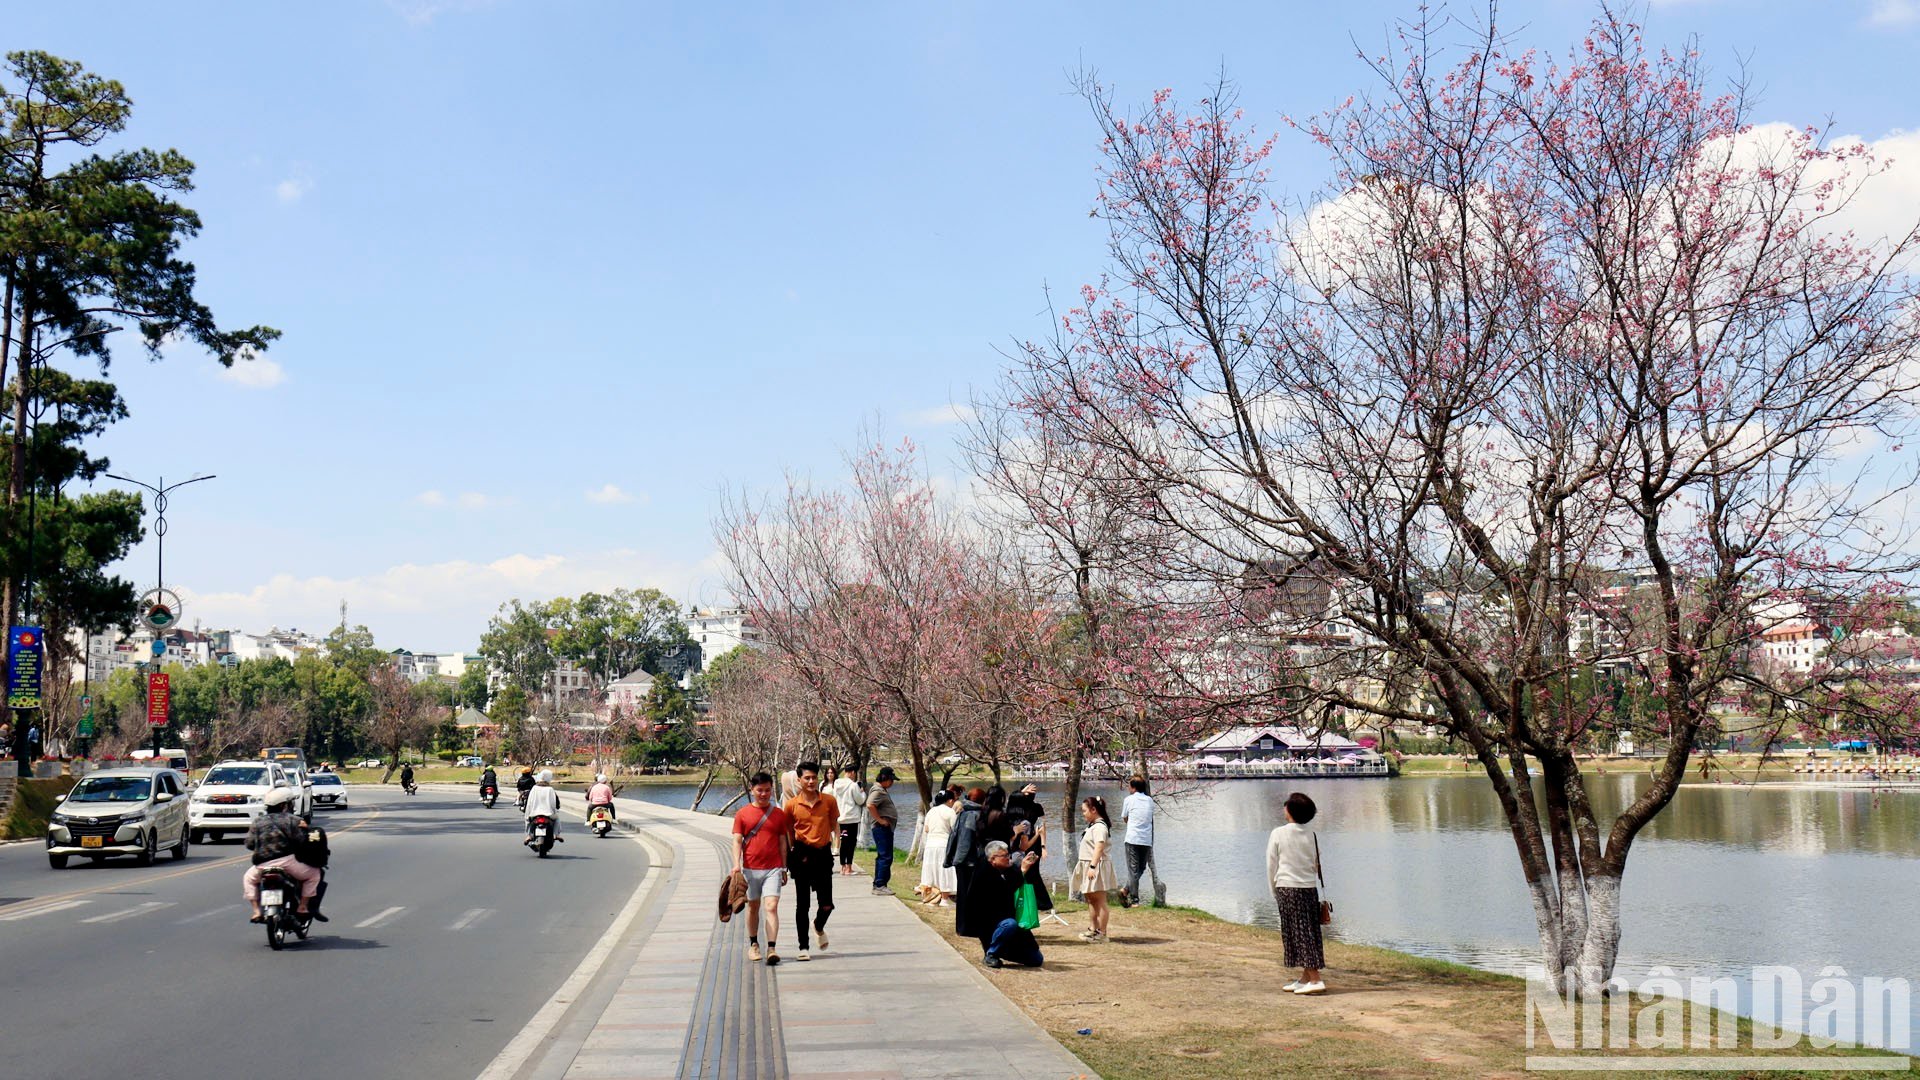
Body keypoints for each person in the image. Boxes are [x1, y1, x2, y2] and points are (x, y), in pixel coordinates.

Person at [1265, 792, 1327, 994]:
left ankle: (1316, 979)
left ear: (1290, 811)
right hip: (1309, 888)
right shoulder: (1312, 834)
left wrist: (1273, 889)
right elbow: (1315, 864)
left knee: (1299, 933)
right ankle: (1305, 977)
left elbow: (1271, 864)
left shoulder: (1278, 833)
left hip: (1288, 887)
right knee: (1308, 931)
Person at [782, 760, 840, 960]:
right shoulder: (791, 805)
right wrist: (790, 855)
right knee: (802, 904)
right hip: (801, 855)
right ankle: (803, 947)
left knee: (827, 905)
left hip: (823, 854)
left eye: (814, 777)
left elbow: (834, 824)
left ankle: (818, 925)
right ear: (799, 780)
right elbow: (789, 832)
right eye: (807, 778)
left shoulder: (829, 801)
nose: (811, 781)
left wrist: (836, 847)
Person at [732, 771, 791, 965]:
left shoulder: (779, 815)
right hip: (750, 869)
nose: (764, 794)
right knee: (753, 907)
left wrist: (784, 867)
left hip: (773, 868)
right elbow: (737, 840)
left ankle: (772, 948)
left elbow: (783, 842)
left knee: (771, 907)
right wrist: (736, 865)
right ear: (752, 790)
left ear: (772, 790)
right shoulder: (742, 814)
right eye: (760, 790)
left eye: (767, 790)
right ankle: (754, 944)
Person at [243, 787, 324, 923]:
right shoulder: (293, 820)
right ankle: (303, 907)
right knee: (314, 874)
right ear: (284, 805)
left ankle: (256, 911)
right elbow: (301, 841)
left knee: (248, 879)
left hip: (262, 865)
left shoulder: (258, 822)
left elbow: (250, 844)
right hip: (288, 863)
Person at [962, 841, 1044, 968]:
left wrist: (1025, 867)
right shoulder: (982, 874)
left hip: (1009, 923)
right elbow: (1003, 893)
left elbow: (1019, 882)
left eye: (1008, 855)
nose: (1008, 858)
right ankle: (991, 953)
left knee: (1036, 959)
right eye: (1004, 856)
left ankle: (1001, 950)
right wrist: (1021, 870)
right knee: (1009, 924)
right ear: (993, 859)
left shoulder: (1006, 869)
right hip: (991, 924)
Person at [947, 788, 990, 936]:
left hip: (962, 860)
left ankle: (963, 927)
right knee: (969, 894)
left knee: (964, 893)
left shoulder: (963, 812)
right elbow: (966, 839)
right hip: (969, 861)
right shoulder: (972, 815)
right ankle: (966, 928)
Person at [1075, 796, 1117, 942]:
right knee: (1091, 898)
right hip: (1088, 864)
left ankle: (1102, 933)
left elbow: (1099, 847)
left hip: (1096, 865)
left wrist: (1092, 866)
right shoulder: (1093, 825)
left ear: (1094, 810)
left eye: (1085, 811)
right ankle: (1093, 928)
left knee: (1100, 899)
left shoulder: (1100, 827)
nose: (1083, 814)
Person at [1120, 776, 1160, 908]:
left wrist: (1131, 822)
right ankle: (1128, 893)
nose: (1128, 788)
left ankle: (1132, 897)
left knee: (1135, 869)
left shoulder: (1129, 800)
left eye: (1129, 785)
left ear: (1133, 787)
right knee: (1139, 868)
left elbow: (1125, 818)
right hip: (1146, 839)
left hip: (1133, 838)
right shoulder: (1150, 801)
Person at [918, 790, 959, 906]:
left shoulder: (931, 811)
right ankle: (945, 899)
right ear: (950, 800)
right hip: (943, 844)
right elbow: (954, 829)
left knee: (931, 871)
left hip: (930, 845)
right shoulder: (950, 811)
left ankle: (930, 896)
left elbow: (926, 829)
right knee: (944, 871)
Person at [866, 766, 899, 895]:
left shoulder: (882, 790)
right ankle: (880, 885)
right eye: (891, 780)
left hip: (885, 828)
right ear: (885, 778)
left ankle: (880, 883)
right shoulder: (878, 791)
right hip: (881, 828)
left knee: (884, 856)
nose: (892, 783)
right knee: (885, 857)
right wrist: (880, 820)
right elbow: (870, 804)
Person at [831, 765, 867, 877]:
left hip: (841, 818)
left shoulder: (836, 784)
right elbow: (860, 800)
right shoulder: (853, 785)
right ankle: (849, 867)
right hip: (851, 818)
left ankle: (842, 867)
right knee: (851, 843)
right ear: (852, 772)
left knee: (843, 842)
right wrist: (862, 792)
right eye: (854, 773)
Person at [524, 769, 562, 844]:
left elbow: (529, 801)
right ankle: (556, 834)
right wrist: (557, 807)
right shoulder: (550, 789)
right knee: (557, 820)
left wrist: (527, 811)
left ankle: (529, 835)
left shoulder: (534, 788)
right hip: (548, 813)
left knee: (527, 820)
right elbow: (556, 802)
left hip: (534, 813)